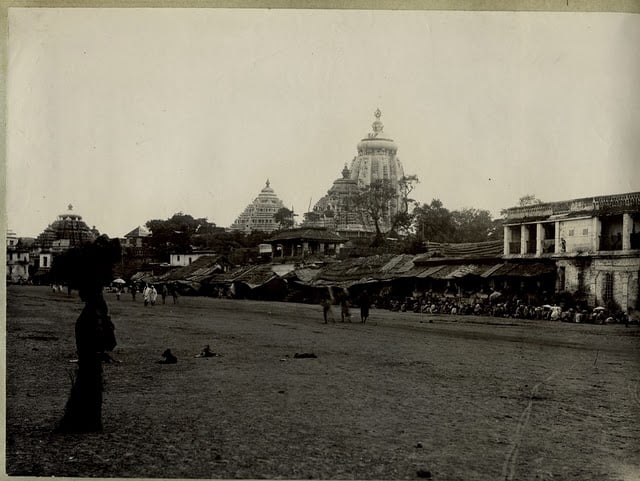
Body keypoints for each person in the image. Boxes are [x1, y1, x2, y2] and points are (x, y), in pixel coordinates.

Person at [57, 235, 120, 433]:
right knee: (90, 384)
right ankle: (88, 421)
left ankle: (84, 421)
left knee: (87, 384)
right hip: (90, 355)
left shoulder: (91, 310)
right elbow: (106, 338)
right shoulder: (95, 309)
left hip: (87, 354)